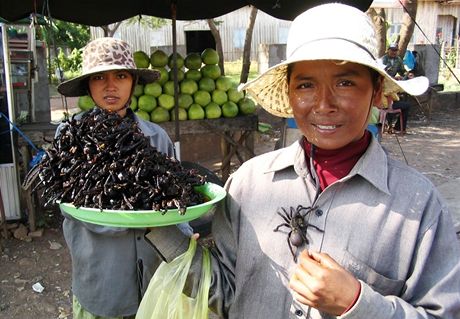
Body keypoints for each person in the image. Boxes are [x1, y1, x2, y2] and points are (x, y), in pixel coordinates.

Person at [145, 3, 460, 319]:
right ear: (289, 92)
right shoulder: (248, 183)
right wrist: (155, 225)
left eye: (345, 82)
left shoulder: (418, 206)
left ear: (377, 91)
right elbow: (225, 293)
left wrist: (358, 303)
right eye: (306, 85)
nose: (324, 104)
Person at [56, 37, 192, 319]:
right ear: (88, 86)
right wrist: (137, 217)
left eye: (120, 75)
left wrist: (186, 235)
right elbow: (74, 206)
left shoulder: (156, 137)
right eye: (99, 77)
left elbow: (178, 198)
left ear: (133, 82)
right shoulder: (70, 137)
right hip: (101, 280)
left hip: (153, 280)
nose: (110, 85)